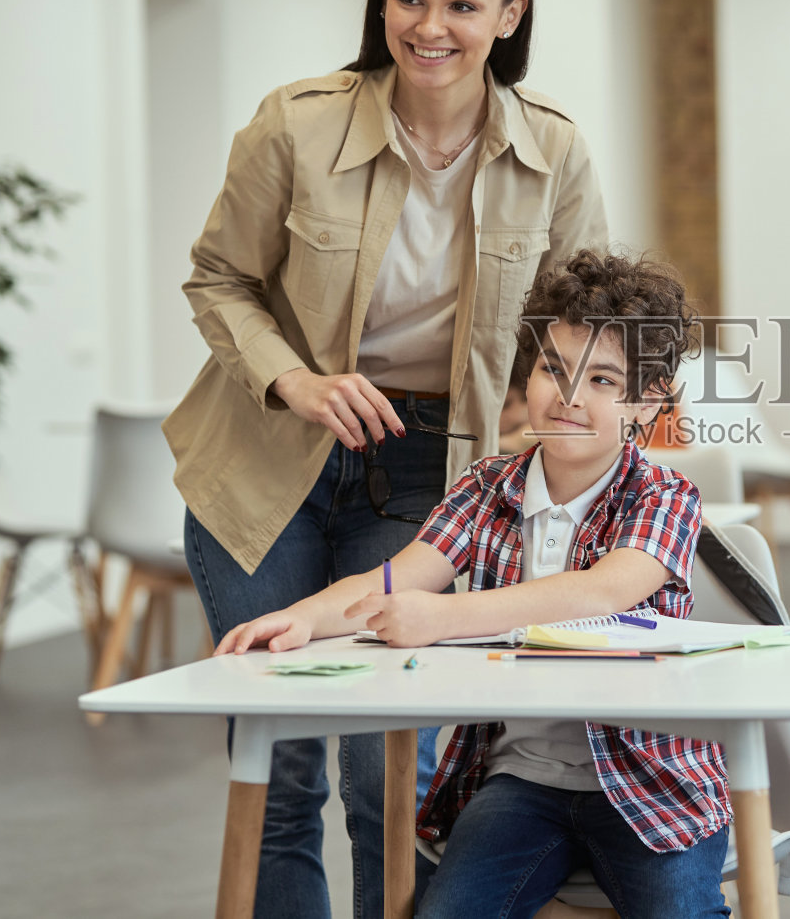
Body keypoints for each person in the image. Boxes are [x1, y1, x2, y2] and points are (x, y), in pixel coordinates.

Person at [163, 0, 607, 919]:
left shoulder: (554, 152)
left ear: (510, 15)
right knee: (277, 764)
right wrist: (298, 378)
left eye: (461, 3)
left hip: (425, 471)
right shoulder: (298, 122)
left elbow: (575, 323)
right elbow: (217, 278)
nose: (429, 26)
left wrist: (538, 421)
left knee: (383, 766)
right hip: (260, 459)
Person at [215, 250, 732, 919]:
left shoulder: (664, 494)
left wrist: (442, 617)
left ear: (647, 400)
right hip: (522, 783)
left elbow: (599, 593)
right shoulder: (487, 485)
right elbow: (392, 576)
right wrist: (304, 619)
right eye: (553, 368)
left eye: (603, 379)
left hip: (654, 784)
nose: (569, 396)